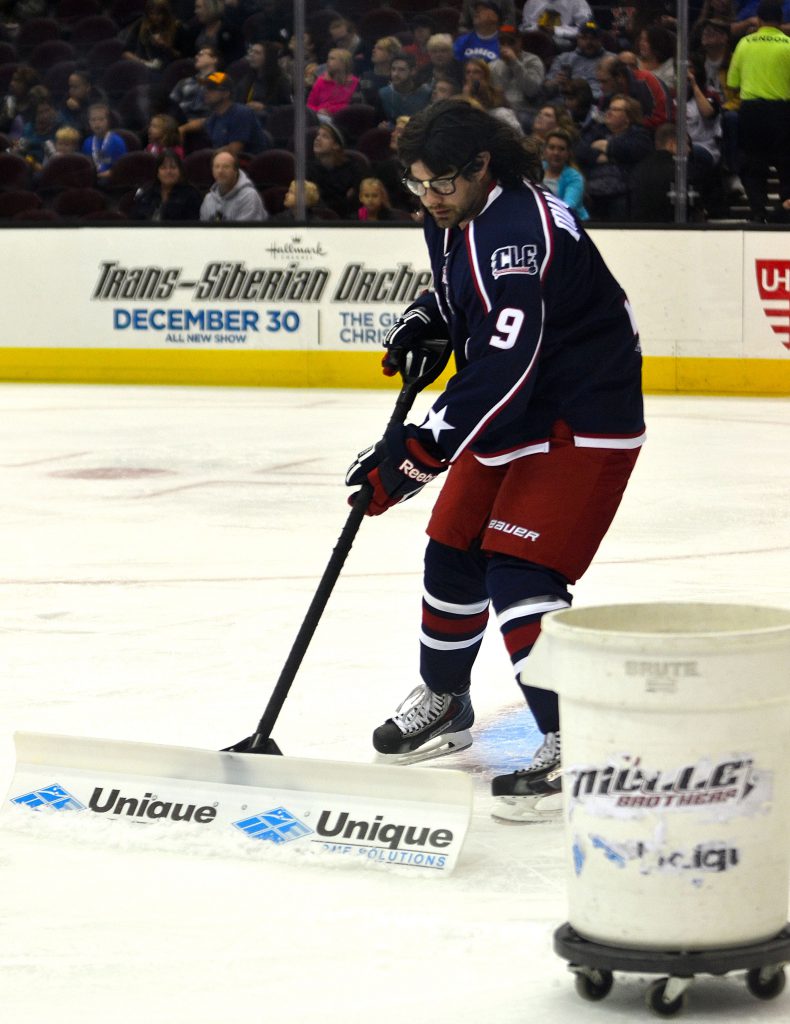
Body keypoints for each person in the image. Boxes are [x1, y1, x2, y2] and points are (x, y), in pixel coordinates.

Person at [345, 99, 644, 821]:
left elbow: (509, 357)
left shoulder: (518, 234)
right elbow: (466, 296)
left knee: (519, 568)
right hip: (516, 407)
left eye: (441, 184)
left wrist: (422, 447)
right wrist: (431, 314)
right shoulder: (458, 212)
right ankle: (446, 700)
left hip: (581, 415)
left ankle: (578, 735)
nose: (429, 199)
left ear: (482, 165)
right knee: (452, 549)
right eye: (417, 185)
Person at [726, 0, 790, 221]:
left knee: (753, 164)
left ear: (759, 20)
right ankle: (785, 208)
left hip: (751, 111)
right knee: (785, 163)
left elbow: (732, 83)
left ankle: (757, 212)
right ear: (781, 22)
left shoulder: (745, 44)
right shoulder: (788, 45)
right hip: (782, 111)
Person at [577, 93, 653, 220]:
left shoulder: (640, 135)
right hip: (592, 192)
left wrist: (606, 146)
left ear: (628, 117)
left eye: (615, 110)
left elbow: (636, 150)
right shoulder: (597, 131)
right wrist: (605, 156)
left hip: (622, 193)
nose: (609, 112)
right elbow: (580, 151)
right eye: (609, 108)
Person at [182, 71, 269, 156]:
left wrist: (207, 156)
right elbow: (202, 123)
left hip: (245, 165)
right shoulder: (215, 116)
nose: (206, 92)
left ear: (226, 93)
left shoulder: (241, 113)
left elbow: (234, 151)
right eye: (205, 88)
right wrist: (182, 129)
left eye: (211, 88)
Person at [488, 24, 545, 128]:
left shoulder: (533, 61)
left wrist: (514, 62)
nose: (506, 46)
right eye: (502, 42)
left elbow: (532, 90)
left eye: (510, 42)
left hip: (525, 110)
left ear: (519, 42)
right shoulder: (493, 66)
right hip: (500, 110)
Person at [544, 20, 615, 100]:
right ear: (578, 38)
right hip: (566, 102)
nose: (588, 42)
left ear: (601, 39)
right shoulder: (563, 59)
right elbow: (546, 89)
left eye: (593, 38)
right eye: (584, 38)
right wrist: (555, 82)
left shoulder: (612, 60)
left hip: (599, 102)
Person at [305, 121, 363, 218]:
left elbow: (357, 201)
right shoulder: (309, 168)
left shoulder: (353, 168)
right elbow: (314, 202)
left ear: (336, 145)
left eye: (325, 136)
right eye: (318, 135)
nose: (317, 139)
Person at [130, 148, 202, 220]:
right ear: (157, 172)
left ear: (180, 171)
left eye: (173, 167)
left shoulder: (192, 195)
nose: (168, 171)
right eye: (163, 168)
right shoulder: (146, 193)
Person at [199, 147, 267, 221]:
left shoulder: (249, 196)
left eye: (226, 167)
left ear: (236, 171)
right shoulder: (208, 199)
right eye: (217, 167)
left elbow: (247, 231)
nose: (220, 171)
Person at [629, 120, 677, 221]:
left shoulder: (639, 168)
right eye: (685, 144)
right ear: (671, 144)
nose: (689, 149)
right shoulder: (678, 171)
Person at [122, 0, 189, 72]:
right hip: (142, 67)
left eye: (159, 14)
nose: (155, 17)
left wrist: (165, 46)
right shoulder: (141, 24)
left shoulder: (177, 27)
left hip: (167, 70)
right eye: (152, 13)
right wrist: (144, 62)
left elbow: (183, 57)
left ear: (166, 14)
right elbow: (126, 52)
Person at [234, 41, 292, 119]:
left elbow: (289, 109)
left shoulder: (280, 80)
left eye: (257, 53)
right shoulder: (247, 78)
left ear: (268, 57)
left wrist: (265, 108)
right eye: (251, 51)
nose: (251, 55)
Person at [462, 59, 523, 132]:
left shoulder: (497, 93)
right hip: (474, 130)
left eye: (476, 72)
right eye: (468, 72)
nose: (471, 75)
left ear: (486, 75)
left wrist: (483, 92)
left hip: (498, 129)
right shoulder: (463, 95)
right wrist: (466, 96)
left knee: (501, 113)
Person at [542, 126, 588, 218]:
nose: (556, 153)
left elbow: (568, 207)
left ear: (568, 153)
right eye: (551, 147)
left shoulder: (575, 177)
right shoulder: (536, 169)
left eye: (561, 149)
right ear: (545, 151)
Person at [378, 53, 432, 126]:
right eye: (393, 69)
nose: (395, 74)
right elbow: (379, 122)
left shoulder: (426, 92)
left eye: (401, 70)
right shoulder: (383, 94)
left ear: (413, 71)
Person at [520, 0, 594, 52]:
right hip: (535, 38)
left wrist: (556, 30)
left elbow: (586, 29)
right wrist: (538, 28)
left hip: (563, 40)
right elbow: (526, 26)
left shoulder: (577, 2)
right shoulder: (532, 2)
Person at [169, 45, 219, 122]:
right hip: (180, 120)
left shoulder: (221, 82)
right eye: (197, 55)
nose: (196, 57)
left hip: (207, 123)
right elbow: (171, 104)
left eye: (201, 54)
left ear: (214, 59)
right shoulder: (184, 82)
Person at [306, 48, 360, 118]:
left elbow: (353, 106)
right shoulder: (321, 81)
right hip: (321, 116)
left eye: (332, 58)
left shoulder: (354, 82)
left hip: (344, 117)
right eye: (328, 58)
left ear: (342, 63)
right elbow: (310, 105)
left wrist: (332, 111)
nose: (328, 61)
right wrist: (319, 111)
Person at [82, 102, 127, 180]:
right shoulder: (87, 142)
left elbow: (124, 166)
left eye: (101, 119)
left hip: (113, 181)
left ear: (108, 121)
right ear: (89, 122)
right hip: (92, 181)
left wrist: (112, 173)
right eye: (93, 120)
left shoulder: (117, 141)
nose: (97, 123)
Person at [454, 0, 503, 64]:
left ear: (494, 17)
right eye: (476, 10)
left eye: (482, 10)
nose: (476, 13)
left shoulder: (503, 43)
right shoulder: (462, 41)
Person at [636, 24, 677, 91]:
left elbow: (669, 90)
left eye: (646, 41)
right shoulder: (634, 61)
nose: (641, 43)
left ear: (657, 43)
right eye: (641, 39)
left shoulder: (669, 65)